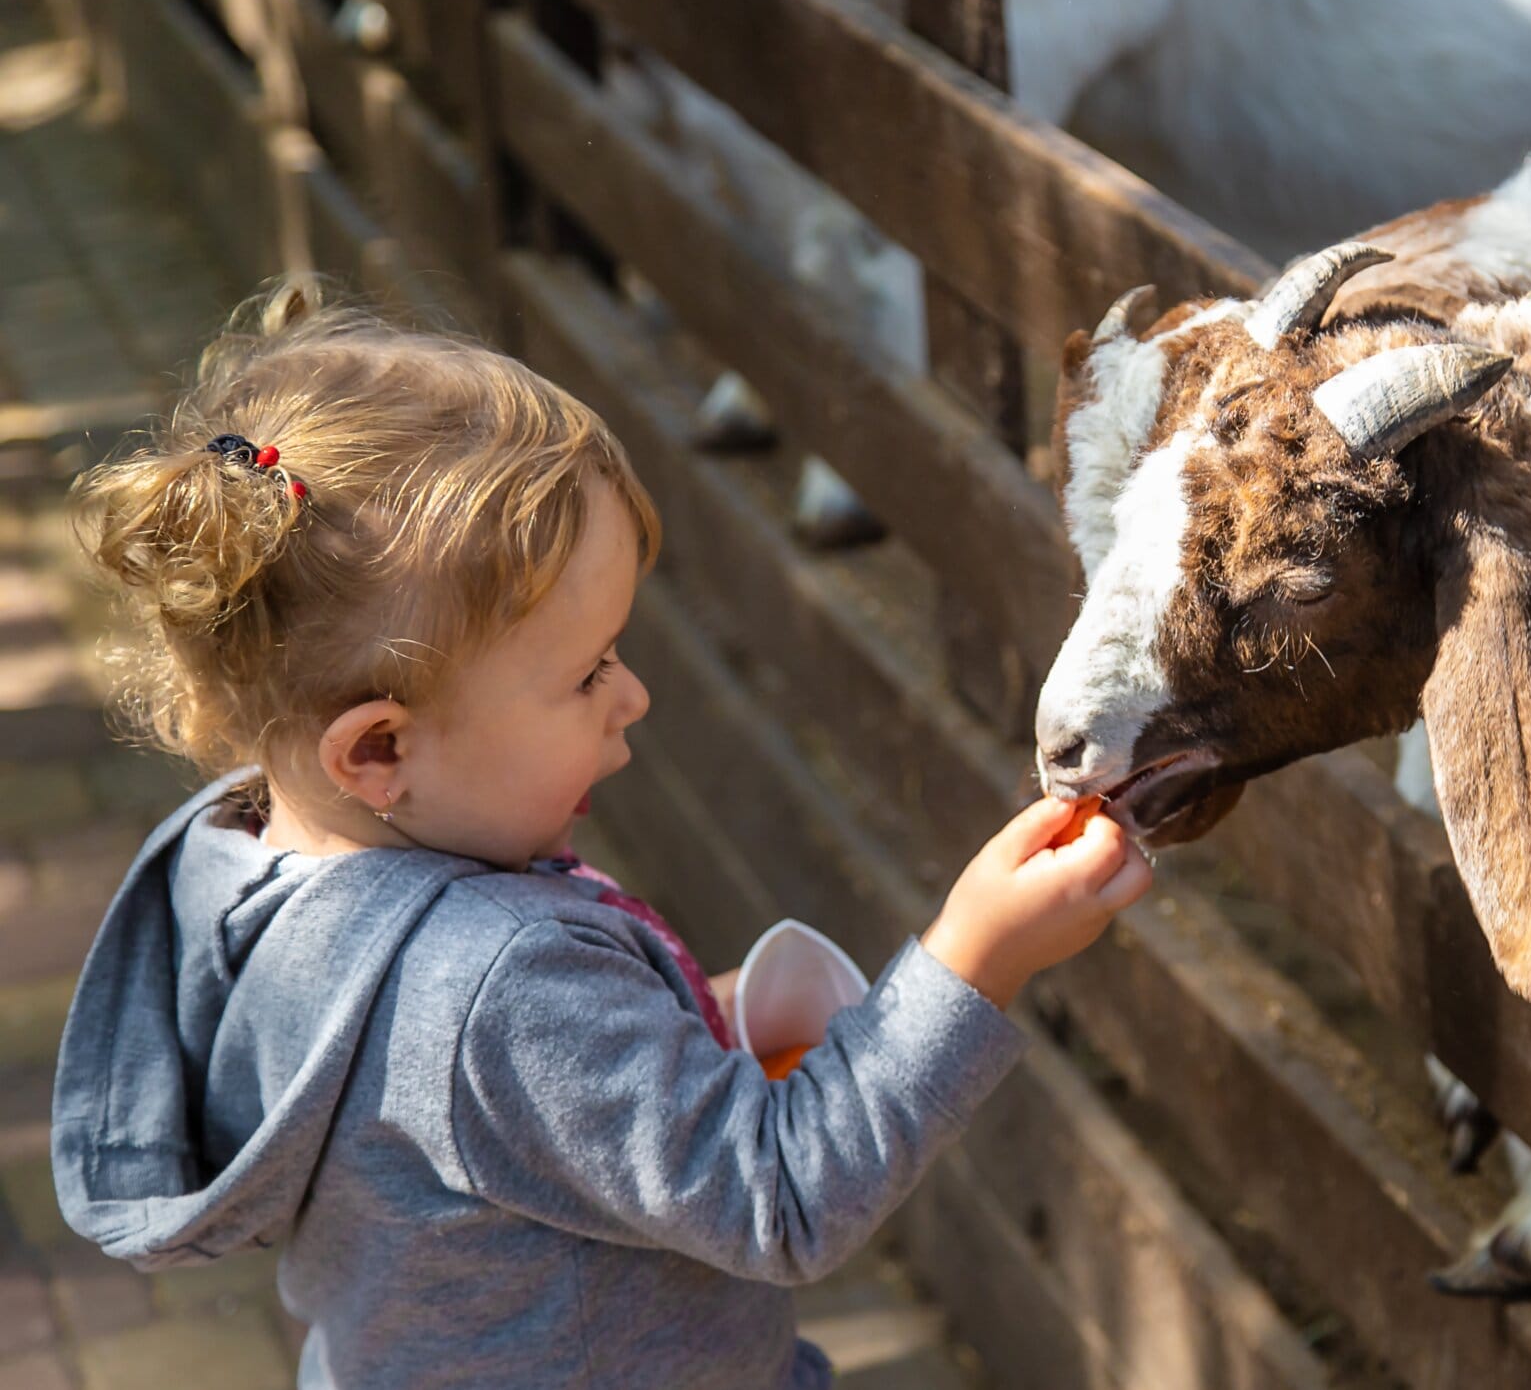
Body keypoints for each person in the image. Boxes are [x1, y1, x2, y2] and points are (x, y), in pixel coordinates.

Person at [48, 281, 1150, 1388]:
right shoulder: (500, 986)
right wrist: (975, 959)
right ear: (378, 752)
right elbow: (780, 1196)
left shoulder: (245, 867)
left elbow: (455, 1117)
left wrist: (677, 1020)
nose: (633, 697)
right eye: (586, 674)